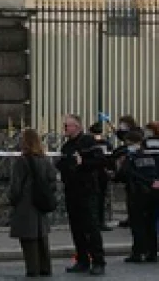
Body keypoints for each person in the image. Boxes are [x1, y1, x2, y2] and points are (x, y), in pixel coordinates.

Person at [56, 114, 105, 276]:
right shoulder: (67, 146)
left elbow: (100, 161)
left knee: (91, 227)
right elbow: (63, 164)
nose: (65, 129)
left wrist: (83, 163)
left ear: (77, 127)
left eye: (67, 126)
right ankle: (82, 259)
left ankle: (98, 261)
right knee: (76, 228)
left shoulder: (89, 142)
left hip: (87, 190)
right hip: (72, 190)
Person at [9, 127, 57, 278]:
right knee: (41, 238)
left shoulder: (22, 161)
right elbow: (53, 182)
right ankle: (45, 267)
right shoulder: (44, 160)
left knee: (28, 240)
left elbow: (15, 187)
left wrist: (13, 200)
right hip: (40, 204)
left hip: (25, 204)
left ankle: (33, 269)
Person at [114, 126, 158, 263]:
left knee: (137, 224)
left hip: (136, 193)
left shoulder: (130, 157)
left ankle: (138, 252)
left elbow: (123, 174)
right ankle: (152, 252)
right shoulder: (151, 155)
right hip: (153, 193)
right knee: (150, 224)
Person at [89, 122, 112, 231]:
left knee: (94, 199)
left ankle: (95, 222)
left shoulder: (89, 143)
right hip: (103, 173)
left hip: (93, 173)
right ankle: (100, 221)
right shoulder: (106, 143)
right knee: (101, 199)